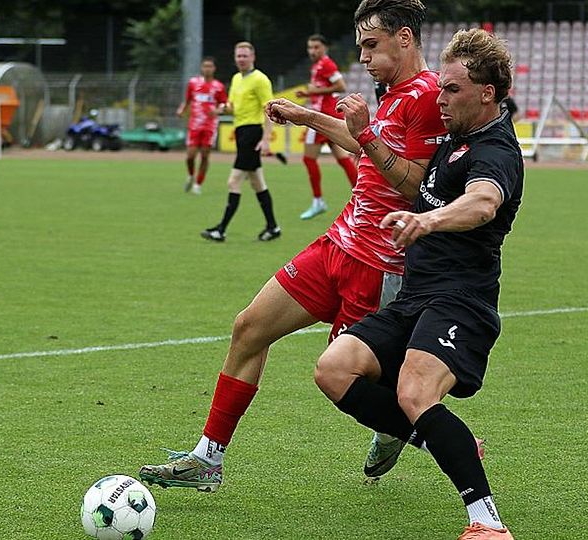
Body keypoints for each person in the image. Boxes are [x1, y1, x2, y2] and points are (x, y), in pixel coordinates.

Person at [139, 0, 445, 493]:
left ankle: (411, 431)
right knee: (248, 327)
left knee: (349, 381)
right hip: (336, 246)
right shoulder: (389, 91)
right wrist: (307, 116)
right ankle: (208, 458)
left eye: (371, 45)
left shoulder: (427, 96)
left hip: (381, 266)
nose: (362, 57)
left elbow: (418, 188)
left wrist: (364, 133)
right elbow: (360, 142)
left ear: (404, 39)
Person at [312, 28, 523, 540]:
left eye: (451, 89)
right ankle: (442, 439)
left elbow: (483, 202)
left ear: (486, 93)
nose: (440, 97)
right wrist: (328, 122)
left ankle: (486, 522)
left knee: (414, 389)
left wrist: (426, 221)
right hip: (417, 296)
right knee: (334, 369)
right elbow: (399, 168)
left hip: (461, 301)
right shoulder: (455, 136)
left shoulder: (495, 149)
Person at [201, 42, 281, 242]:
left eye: (245, 56)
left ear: (253, 57)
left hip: (252, 133)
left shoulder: (260, 79)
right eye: (238, 56)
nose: (241, 59)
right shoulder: (236, 79)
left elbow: (269, 110)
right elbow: (233, 107)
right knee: (257, 182)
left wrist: (265, 139)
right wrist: (221, 109)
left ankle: (221, 229)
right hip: (240, 132)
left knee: (234, 181)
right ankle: (273, 227)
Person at [294, 34, 359, 220]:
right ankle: (362, 196)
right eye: (310, 47)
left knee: (308, 159)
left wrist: (314, 91)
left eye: (316, 47)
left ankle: (318, 201)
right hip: (328, 116)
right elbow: (323, 90)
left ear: (324, 48)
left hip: (320, 120)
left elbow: (341, 85)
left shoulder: (326, 64)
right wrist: (308, 93)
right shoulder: (317, 66)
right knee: (343, 159)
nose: (312, 51)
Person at [177, 57, 227, 195]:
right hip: (194, 124)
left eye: (210, 66)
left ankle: (198, 184)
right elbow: (187, 100)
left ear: (214, 68)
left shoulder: (219, 86)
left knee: (205, 156)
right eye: (205, 66)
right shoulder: (193, 83)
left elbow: (224, 104)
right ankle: (191, 175)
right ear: (201, 68)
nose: (207, 69)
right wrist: (181, 110)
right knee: (190, 156)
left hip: (210, 126)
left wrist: (217, 110)